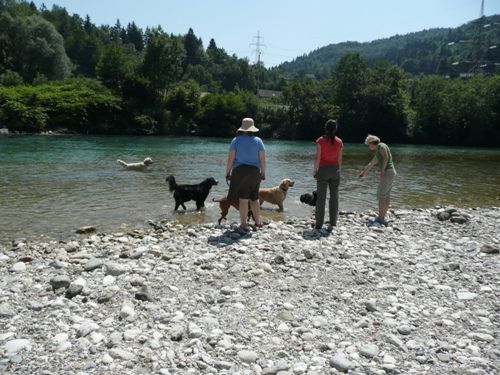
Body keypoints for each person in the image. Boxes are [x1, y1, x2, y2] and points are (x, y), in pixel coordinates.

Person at [225, 118, 266, 230]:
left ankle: (243, 224)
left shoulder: (236, 140)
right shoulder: (258, 141)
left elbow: (230, 159)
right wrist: (263, 172)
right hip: (254, 172)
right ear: (252, 129)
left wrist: (227, 172)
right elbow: (263, 160)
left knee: (243, 199)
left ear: (242, 128)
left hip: (240, 171)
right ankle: (258, 222)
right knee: (254, 198)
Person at [358, 134, 397, 225]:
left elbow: (386, 158)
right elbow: (371, 163)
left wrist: (382, 172)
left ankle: (381, 219)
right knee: (386, 195)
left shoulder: (381, 145)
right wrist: (363, 173)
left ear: (372, 143)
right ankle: (382, 216)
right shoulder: (378, 151)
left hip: (387, 172)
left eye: (368, 144)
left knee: (381, 195)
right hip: (391, 173)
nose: (368, 146)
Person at [313, 119, 343, 230]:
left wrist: (315, 170)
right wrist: (339, 170)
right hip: (335, 171)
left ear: (326, 128)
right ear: (336, 129)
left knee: (321, 198)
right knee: (334, 196)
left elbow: (318, 157)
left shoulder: (321, 140)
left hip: (323, 171)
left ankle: (319, 224)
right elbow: (340, 159)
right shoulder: (339, 142)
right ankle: (333, 222)